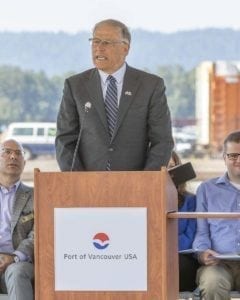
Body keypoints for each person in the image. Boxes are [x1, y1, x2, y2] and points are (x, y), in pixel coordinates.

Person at [55, 19, 174, 171]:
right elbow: (64, 140)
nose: (99, 48)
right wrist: (78, 181)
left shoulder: (150, 86)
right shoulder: (75, 86)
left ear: (125, 48)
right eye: (95, 41)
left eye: (106, 42)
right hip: (88, 187)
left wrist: (146, 182)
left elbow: (162, 141)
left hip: (136, 187)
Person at [192, 130, 240, 299]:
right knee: (212, 283)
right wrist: (202, 253)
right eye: (233, 155)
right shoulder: (207, 189)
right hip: (218, 265)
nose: (238, 160)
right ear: (224, 158)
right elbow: (202, 232)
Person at [0, 139, 34, 300]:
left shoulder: (36, 195)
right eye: (7, 151)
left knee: (16, 271)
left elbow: (38, 234)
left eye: (18, 153)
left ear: (24, 162)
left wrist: (14, 257)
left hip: (20, 262)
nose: (13, 156)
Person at [168, 151, 199, 291]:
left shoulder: (190, 200)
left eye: (170, 166)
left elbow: (190, 237)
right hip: (150, 256)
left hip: (181, 256)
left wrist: (161, 245)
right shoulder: (143, 198)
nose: (165, 172)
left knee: (178, 266)